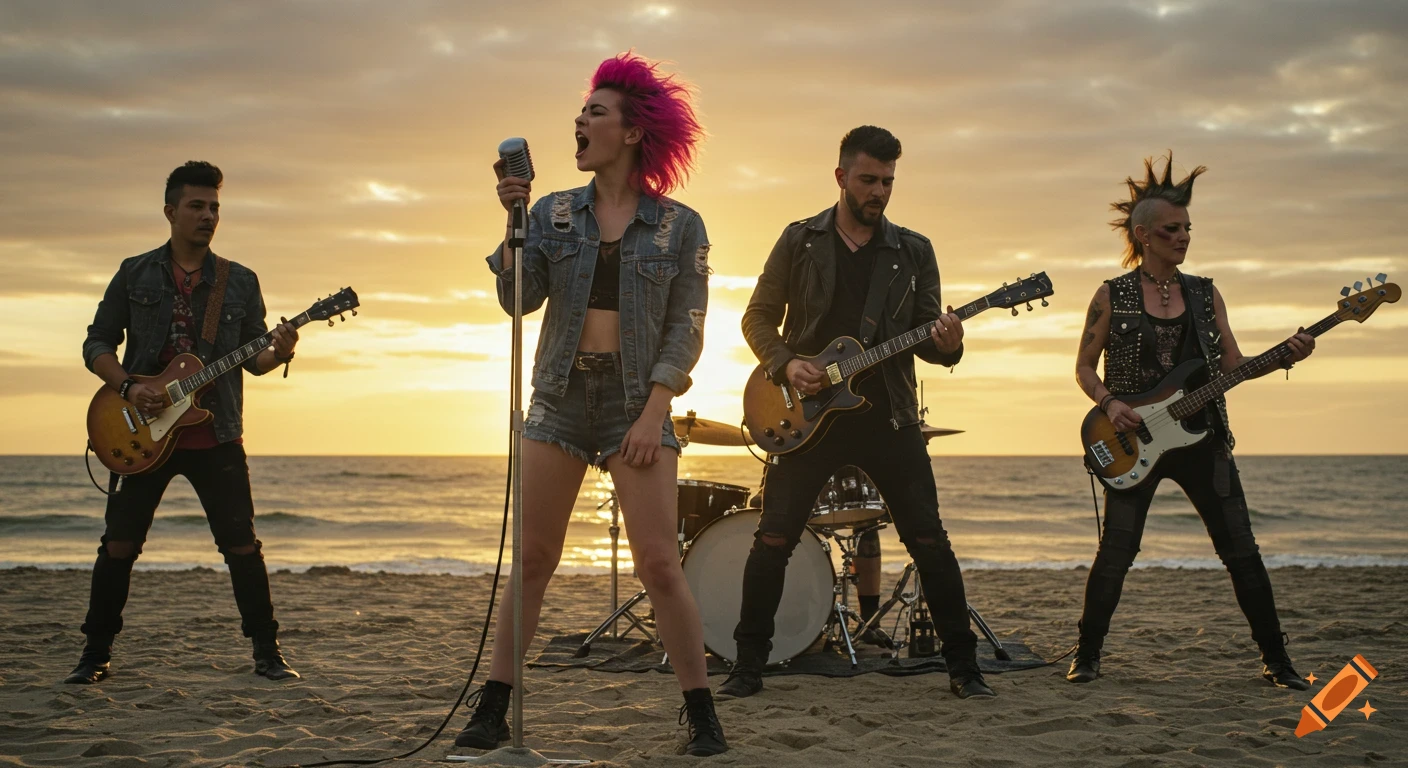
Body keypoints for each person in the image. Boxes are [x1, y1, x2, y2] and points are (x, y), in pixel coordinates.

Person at [456, 53, 726, 756]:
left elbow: (687, 326)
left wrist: (651, 414)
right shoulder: (549, 213)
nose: (580, 121)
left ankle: (700, 712)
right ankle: (493, 709)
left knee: (660, 564)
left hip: (638, 399)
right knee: (534, 558)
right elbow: (518, 300)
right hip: (560, 397)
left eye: (595, 112)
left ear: (633, 132)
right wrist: (513, 224)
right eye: (581, 112)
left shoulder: (681, 226)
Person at [721, 126, 995, 700]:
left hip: (888, 416)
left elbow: (928, 340)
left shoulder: (913, 250)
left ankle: (964, 670)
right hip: (809, 417)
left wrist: (948, 344)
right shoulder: (799, 241)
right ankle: (747, 667)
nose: (879, 192)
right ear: (841, 176)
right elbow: (757, 317)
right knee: (773, 539)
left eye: (888, 182)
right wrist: (786, 363)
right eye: (868, 179)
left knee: (929, 541)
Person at [1069, 154, 1313, 689]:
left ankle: (1277, 660)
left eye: (1187, 228)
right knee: (1117, 552)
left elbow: (1233, 367)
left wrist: (1284, 356)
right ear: (1143, 235)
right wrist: (1111, 405)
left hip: (1204, 437)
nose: (1183, 237)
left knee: (1241, 551)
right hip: (1135, 439)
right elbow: (1084, 369)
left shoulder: (1205, 294)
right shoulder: (1112, 295)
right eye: (1171, 229)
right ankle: (1086, 655)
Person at [68, 161, 301, 684]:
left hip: (215, 434)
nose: (208, 215)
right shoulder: (134, 272)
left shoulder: (239, 281)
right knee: (119, 546)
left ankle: (268, 653)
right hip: (139, 431)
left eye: (215, 206)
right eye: (196, 206)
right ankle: (94, 655)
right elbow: (96, 344)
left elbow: (253, 360)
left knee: (242, 545)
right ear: (171, 211)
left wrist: (281, 351)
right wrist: (131, 386)